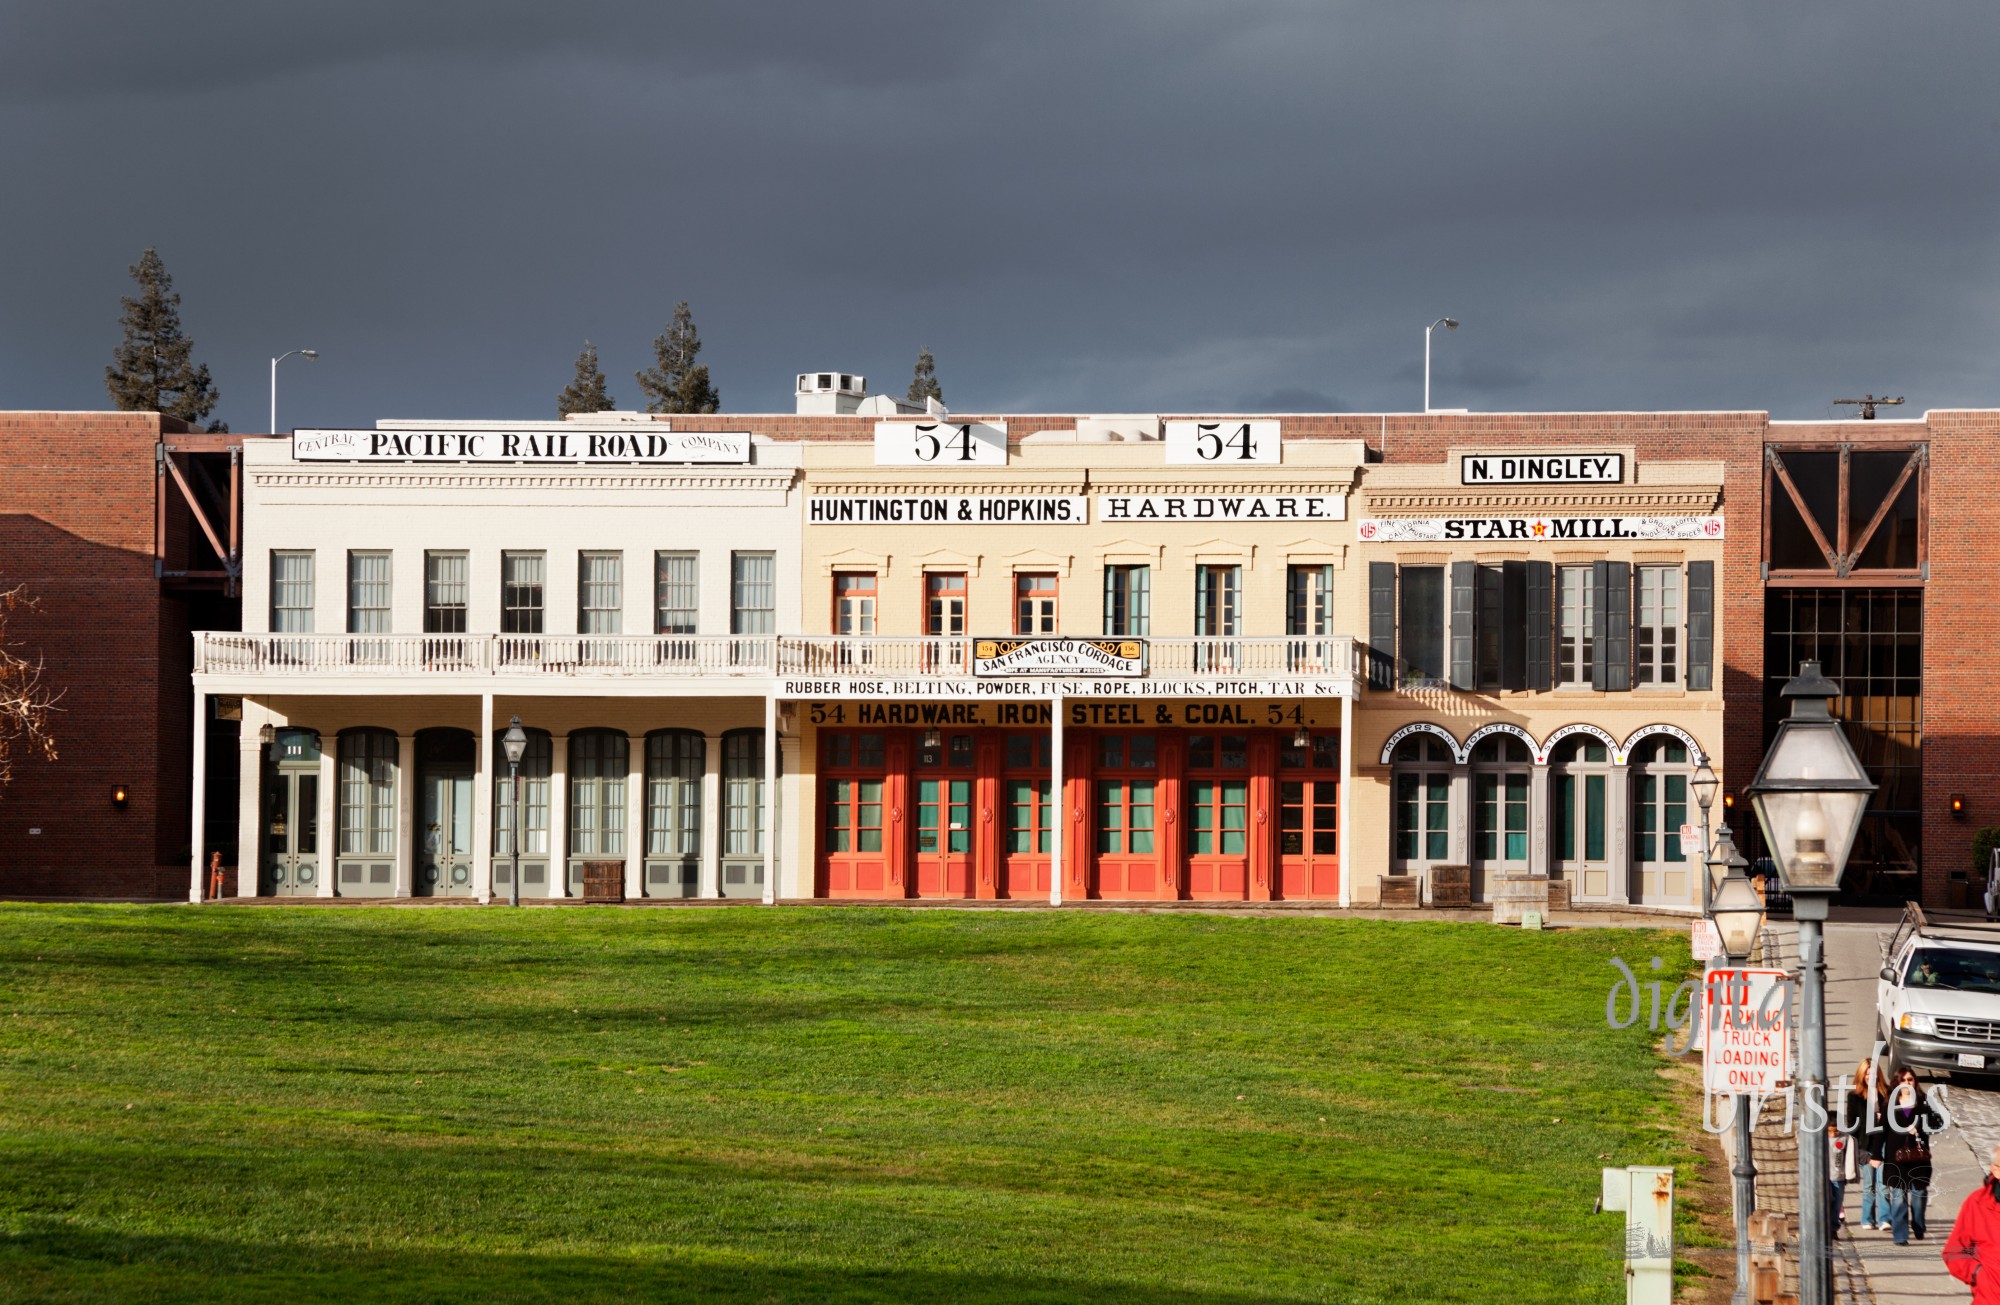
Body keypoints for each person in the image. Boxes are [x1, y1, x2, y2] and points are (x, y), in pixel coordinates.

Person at [1876, 1066, 1945, 1244]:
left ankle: (1918, 1224)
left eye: (1910, 1080)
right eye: (1903, 1080)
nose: (1907, 1083)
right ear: (1897, 1083)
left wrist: (1920, 1127)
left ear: (1915, 1082)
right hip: (1895, 1159)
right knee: (1898, 1198)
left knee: (1918, 1196)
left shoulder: (1923, 1101)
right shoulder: (1890, 1104)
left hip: (1918, 1158)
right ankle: (1900, 1235)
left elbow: (1938, 1123)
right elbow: (1880, 1131)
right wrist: (1875, 1154)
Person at [1944, 1145, 2000, 1303]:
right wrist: (1978, 1273)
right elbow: (1954, 1251)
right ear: (1995, 1170)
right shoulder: (1977, 1203)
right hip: (1989, 1298)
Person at [1845, 1057, 1889, 1230]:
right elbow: (1852, 1125)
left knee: (1884, 1184)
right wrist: (1860, 1152)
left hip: (1885, 1142)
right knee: (1869, 1185)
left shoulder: (1886, 1093)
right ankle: (1867, 1219)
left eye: (1873, 1074)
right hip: (1866, 1144)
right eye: (1867, 1074)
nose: (1870, 1078)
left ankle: (1885, 1218)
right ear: (1862, 1076)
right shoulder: (1854, 1096)